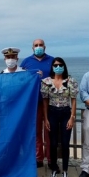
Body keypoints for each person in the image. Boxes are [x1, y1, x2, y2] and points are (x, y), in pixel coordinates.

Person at [41, 57, 78, 177]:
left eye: (60, 65)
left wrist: (72, 117)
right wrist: (45, 118)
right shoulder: (46, 82)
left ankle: (66, 170)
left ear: (64, 66)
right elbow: (45, 102)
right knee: (53, 143)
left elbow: (73, 100)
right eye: (55, 65)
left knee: (65, 143)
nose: (58, 67)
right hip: (52, 113)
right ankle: (54, 168)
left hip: (65, 113)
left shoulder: (70, 81)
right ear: (52, 67)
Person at [20, 39, 54, 168]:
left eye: (40, 45)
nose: (38, 47)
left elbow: (58, 77)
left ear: (45, 47)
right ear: (32, 48)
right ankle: (38, 158)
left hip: (50, 102)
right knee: (36, 132)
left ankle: (51, 159)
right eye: (36, 45)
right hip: (34, 102)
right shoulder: (26, 62)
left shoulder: (52, 60)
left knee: (49, 131)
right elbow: (21, 79)